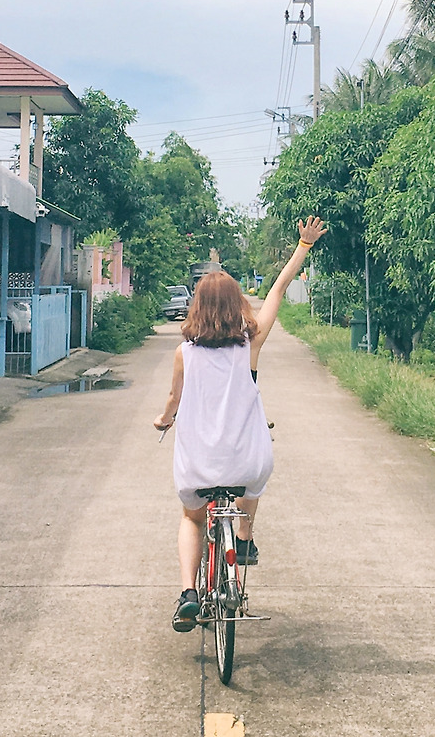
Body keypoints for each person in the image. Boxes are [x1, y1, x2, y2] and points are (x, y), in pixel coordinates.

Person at [154, 216, 328, 632]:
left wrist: (163, 420)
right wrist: (303, 246)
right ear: (238, 306)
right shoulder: (251, 344)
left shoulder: (184, 354)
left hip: (199, 466)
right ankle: (244, 538)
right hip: (246, 462)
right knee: (253, 481)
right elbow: (278, 289)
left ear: (197, 306)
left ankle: (188, 594)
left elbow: (173, 402)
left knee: (192, 518)